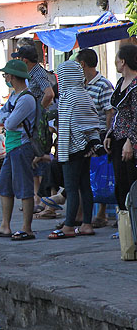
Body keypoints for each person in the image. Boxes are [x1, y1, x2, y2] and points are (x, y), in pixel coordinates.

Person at [48, 60, 102, 239]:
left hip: (71, 148)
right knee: (85, 186)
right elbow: (92, 121)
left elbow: (67, 127)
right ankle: (87, 223)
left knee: (71, 188)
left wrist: (66, 150)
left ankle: (69, 226)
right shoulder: (84, 94)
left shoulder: (67, 96)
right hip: (87, 147)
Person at [0, 59, 39, 241]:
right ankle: (5, 226)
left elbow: (8, 122)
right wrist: (7, 117)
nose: (5, 77)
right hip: (12, 147)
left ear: (12, 76)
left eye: (6, 75)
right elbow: (2, 116)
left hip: (21, 147)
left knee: (25, 187)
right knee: (5, 186)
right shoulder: (13, 97)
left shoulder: (26, 98)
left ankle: (27, 228)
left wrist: (7, 117)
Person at [77, 49, 115, 227]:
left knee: (99, 174)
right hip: (83, 136)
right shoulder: (82, 84)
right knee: (86, 175)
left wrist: (106, 135)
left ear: (82, 64)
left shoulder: (103, 85)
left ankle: (101, 214)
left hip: (98, 135)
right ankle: (83, 213)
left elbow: (110, 111)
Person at [107, 44, 137, 214]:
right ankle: (125, 223)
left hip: (130, 141)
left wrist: (129, 141)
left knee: (130, 181)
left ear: (123, 61)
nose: (115, 63)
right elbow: (117, 112)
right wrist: (110, 134)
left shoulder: (135, 85)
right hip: (117, 138)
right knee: (120, 183)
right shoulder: (120, 83)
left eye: (117, 59)